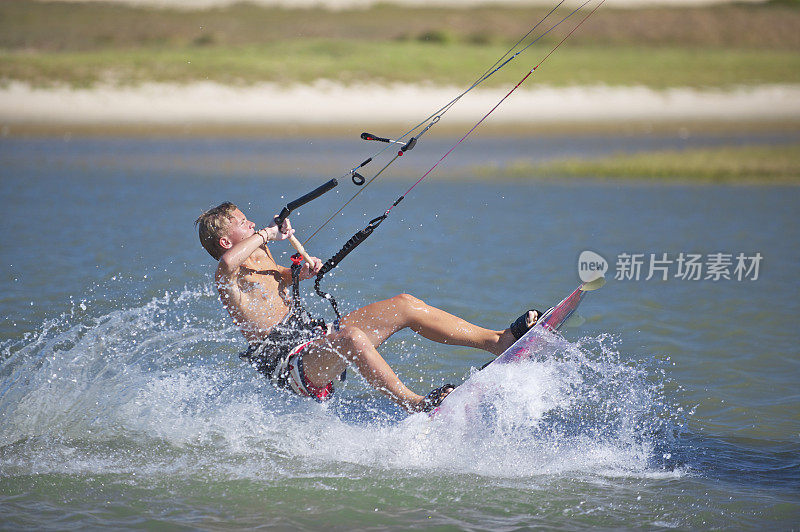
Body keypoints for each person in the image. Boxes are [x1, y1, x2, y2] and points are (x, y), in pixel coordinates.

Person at [195, 202, 541, 413]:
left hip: (314, 340)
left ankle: (500, 341)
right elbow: (228, 262)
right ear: (226, 240)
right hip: (290, 365)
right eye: (243, 223)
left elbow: (282, 278)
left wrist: (301, 269)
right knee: (353, 339)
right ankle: (415, 404)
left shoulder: (259, 255)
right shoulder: (228, 275)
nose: (251, 225)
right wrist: (269, 235)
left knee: (405, 305)